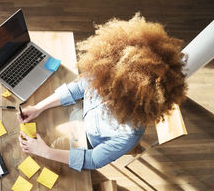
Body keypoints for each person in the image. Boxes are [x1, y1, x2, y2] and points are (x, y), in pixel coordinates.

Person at [18, 13, 187, 172]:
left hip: (86, 143)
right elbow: (78, 88)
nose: (97, 89)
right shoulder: (109, 72)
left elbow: (93, 160)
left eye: (107, 93)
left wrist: (46, 152)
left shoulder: (128, 135)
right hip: (78, 116)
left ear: (127, 102)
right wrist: (38, 108)